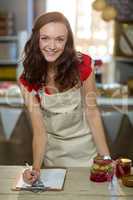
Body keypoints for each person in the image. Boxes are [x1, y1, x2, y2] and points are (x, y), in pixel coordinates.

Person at [19, 11, 110, 184]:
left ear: (67, 43)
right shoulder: (27, 79)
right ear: (36, 39)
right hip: (54, 158)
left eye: (59, 39)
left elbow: (92, 114)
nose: (52, 46)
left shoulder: (83, 66)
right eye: (45, 38)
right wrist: (36, 169)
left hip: (87, 155)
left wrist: (106, 158)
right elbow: (39, 131)